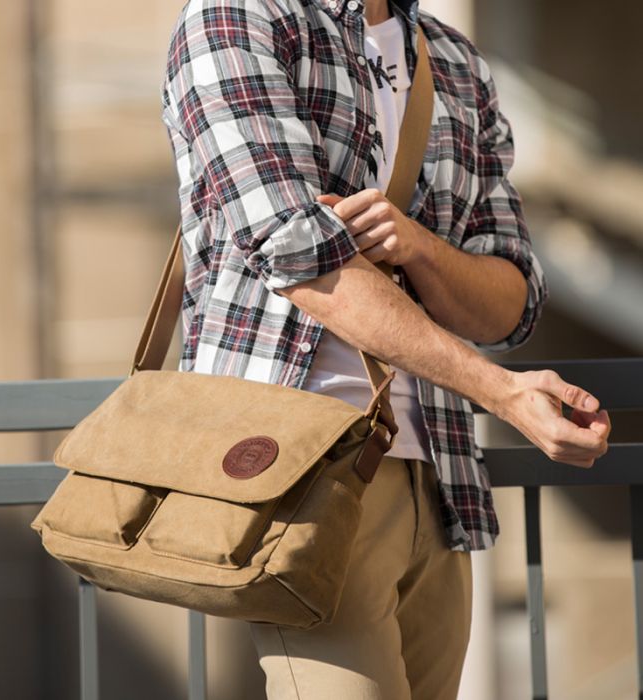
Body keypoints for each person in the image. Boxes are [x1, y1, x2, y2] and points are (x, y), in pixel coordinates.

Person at [160, 0, 611, 697]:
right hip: (297, 472)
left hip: (439, 479)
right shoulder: (237, 18)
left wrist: (423, 248)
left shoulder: (454, 62)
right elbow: (300, 257)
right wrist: (504, 393)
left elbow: (513, 299)